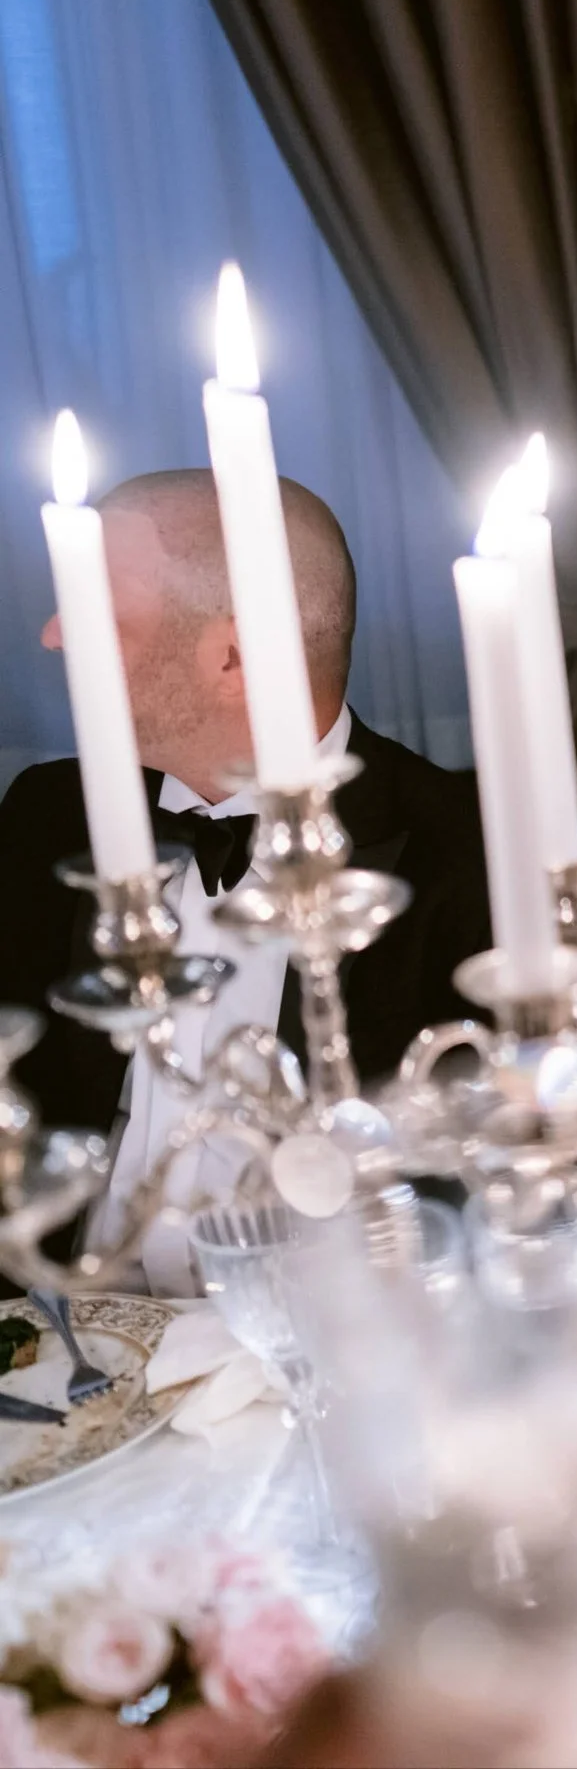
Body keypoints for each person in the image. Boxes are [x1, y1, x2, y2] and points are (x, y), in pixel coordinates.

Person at [0, 471, 491, 1293]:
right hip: (64, 1349)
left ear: (233, 656)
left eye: (97, 613)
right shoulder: (46, 813)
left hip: (335, 1357)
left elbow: (513, 1183)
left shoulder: (469, 848)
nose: (54, 634)